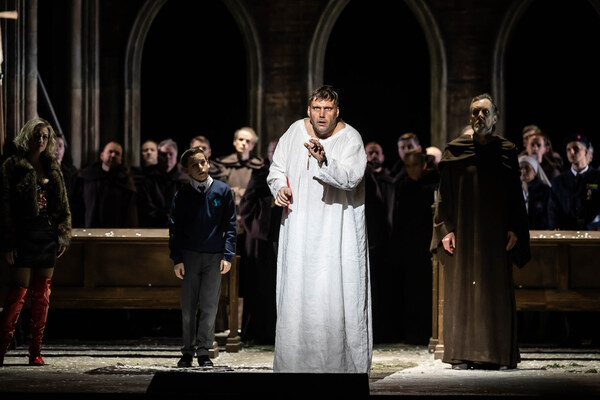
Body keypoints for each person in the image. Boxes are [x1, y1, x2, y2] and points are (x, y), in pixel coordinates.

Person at [267, 85, 371, 373]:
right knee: (297, 294)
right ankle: (295, 366)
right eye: (317, 108)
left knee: (334, 295)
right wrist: (280, 187)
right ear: (309, 110)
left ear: (337, 112)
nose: (322, 114)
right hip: (299, 229)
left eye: (327, 109)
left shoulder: (350, 138)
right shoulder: (293, 132)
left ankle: (339, 369)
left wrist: (324, 159)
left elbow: (351, 178)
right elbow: (276, 169)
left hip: (337, 232)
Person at [431, 93, 530, 370]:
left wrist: (515, 228)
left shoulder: (506, 151)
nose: (479, 117)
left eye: (485, 112)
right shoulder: (456, 150)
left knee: (494, 290)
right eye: (475, 112)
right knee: (461, 290)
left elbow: (515, 195)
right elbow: (444, 194)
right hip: (463, 231)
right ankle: (460, 354)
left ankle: (497, 354)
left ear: (495, 118)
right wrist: (445, 229)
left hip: (496, 234)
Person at [0, 117, 71, 366]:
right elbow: (4, 207)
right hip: (22, 234)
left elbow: (62, 204)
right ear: (27, 136)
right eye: (37, 135)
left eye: (44, 136)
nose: (40, 140)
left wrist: (62, 233)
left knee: (42, 295)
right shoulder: (12, 165)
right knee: (18, 293)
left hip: (47, 234)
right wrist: (8, 242)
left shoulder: (52, 165)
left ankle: (35, 351)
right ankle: (1, 348)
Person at [169, 147, 236, 368]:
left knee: (209, 306)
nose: (200, 167)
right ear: (186, 170)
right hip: (189, 256)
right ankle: (187, 351)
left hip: (214, 256)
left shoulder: (222, 191)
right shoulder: (182, 194)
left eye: (202, 162)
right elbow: (175, 229)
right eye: (194, 165)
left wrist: (227, 255)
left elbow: (230, 226)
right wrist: (177, 258)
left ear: (208, 163)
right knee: (188, 308)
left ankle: (204, 352)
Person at [210, 127, 264, 336]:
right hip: (227, 229)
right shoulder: (221, 166)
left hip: (251, 230)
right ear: (234, 142)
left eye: (248, 141)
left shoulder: (259, 167)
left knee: (249, 275)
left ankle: (246, 324)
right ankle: (221, 324)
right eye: (240, 139)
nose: (244, 143)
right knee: (223, 273)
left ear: (253, 145)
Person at [237, 139, 281, 344]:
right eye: (273, 151)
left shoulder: (295, 175)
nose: (277, 154)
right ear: (268, 154)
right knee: (260, 285)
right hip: (261, 239)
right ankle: (259, 332)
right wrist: (271, 203)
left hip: (284, 237)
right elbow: (246, 207)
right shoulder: (261, 175)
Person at [393, 149, 439, 345]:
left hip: (429, 247)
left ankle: (430, 332)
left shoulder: (434, 186)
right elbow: (399, 221)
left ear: (424, 165)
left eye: (416, 165)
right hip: (410, 249)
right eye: (408, 166)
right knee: (412, 293)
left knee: (429, 291)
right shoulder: (403, 188)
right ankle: (413, 333)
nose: (412, 170)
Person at [363, 141, 395, 343]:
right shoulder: (364, 178)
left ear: (383, 156)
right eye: (370, 153)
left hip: (386, 241)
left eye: (377, 152)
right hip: (369, 240)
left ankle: (385, 332)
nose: (374, 156)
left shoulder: (391, 179)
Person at [78, 141, 138, 227]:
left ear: (121, 160)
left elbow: (130, 214)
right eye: (110, 152)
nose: (113, 155)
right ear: (102, 155)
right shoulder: (88, 176)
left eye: (117, 153)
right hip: (90, 228)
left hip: (116, 229)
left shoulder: (126, 181)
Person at [548, 134, 600, 231]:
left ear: (586, 152)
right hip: (567, 232)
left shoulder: (597, 177)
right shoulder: (558, 182)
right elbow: (553, 210)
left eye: (576, 148)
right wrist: (556, 229)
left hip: (594, 230)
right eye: (568, 149)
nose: (571, 152)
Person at [54, 131, 80, 225]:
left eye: (60, 145)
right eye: (53, 145)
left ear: (64, 149)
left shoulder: (72, 173)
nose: (57, 148)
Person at [519, 155, 551, 230]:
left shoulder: (546, 191)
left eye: (527, 168)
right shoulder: (513, 191)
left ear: (535, 171)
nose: (523, 171)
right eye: (520, 168)